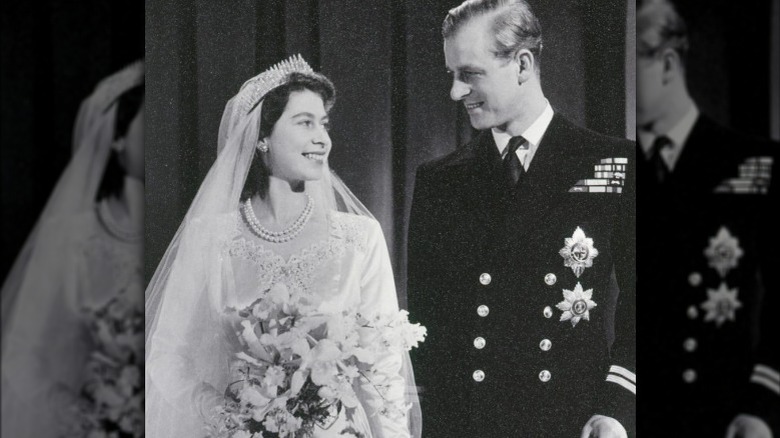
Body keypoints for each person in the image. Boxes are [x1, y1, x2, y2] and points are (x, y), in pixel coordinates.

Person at [144, 55, 422, 438]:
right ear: (261, 137)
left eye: (323, 124)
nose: (322, 138)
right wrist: (222, 410)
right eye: (304, 123)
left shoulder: (360, 238)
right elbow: (164, 355)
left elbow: (385, 369)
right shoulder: (210, 239)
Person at [406, 1, 636, 436]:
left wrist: (616, 408)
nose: (456, 92)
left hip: (573, 422)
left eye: (470, 74)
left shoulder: (612, 163)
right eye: (451, 75)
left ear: (523, 64)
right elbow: (426, 328)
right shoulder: (439, 180)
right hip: (468, 424)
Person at [636, 0, 779, 436]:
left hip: (724, 415)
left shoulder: (751, 164)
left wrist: (763, 405)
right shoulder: (612, 168)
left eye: (630, 65)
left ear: (667, 64)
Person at [1, 61, 145, 437]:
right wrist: (95, 417)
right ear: (117, 138)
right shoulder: (69, 237)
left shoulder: (183, 234)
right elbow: (20, 355)